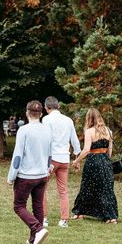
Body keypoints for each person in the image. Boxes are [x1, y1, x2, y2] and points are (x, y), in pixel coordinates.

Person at [8, 100, 53, 244]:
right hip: (42, 174)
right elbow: (49, 153)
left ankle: (38, 229)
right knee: (38, 206)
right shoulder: (47, 130)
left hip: (26, 175)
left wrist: (11, 176)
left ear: (27, 113)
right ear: (41, 114)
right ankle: (34, 238)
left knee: (18, 206)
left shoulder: (24, 130)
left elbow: (17, 156)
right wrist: (48, 168)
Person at [71, 108, 118, 224]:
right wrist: (105, 160)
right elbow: (110, 151)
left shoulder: (89, 132)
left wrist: (76, 161)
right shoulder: (108, 131)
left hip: (93, 161)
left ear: (89, 118)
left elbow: (86, 150)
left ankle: (79, 212)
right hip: (105, 161)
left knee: (87, 187)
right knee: (106, 188)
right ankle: (111, 216)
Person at [42, 96, 81, 228]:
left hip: (51, 158)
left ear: (46, 107)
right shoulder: (68, 120)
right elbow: (74, 139)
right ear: (58, 106)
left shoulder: (46, 120)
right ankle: (64, 220)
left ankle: (44, 218)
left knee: (42, 188)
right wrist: (77, 156)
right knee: (63, 191)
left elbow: (45, 139)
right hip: (64, 159)